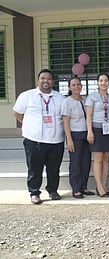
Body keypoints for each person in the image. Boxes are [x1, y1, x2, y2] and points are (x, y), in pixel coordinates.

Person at [13, 69, 65, 204]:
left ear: (53, 81)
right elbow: (17, 113)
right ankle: (34, 192)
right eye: (43, 78)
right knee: (34, 168)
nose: (45, 81)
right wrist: (29, 125)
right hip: (34, 140)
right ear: (38, 80)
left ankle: (53, 190)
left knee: (54, 168)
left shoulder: (60, 97)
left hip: (55, 140)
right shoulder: (27, 96)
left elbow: (64, 117)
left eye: (48, 78)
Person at [62, 77, 94, 199]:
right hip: (74, 135)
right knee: (75, 163)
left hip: (86, 134)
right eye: (74, 85)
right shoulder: (67, 102)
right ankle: (76, 188)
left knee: (86, 162)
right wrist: (69, 140)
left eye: (78, 84)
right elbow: (65, 122)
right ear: (70, 87)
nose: (77, 87)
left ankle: (83, 186)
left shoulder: (85, 100)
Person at [85, 73, 109, 197]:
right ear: (98, 82)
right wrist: (89, 131)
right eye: (101, 80)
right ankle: (99, 186)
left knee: (107, 158)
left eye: (106, 80)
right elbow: (88, 115)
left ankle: (104, 185)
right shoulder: (91, 97)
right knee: (98, 158)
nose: (104, 83)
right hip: (96, 130)